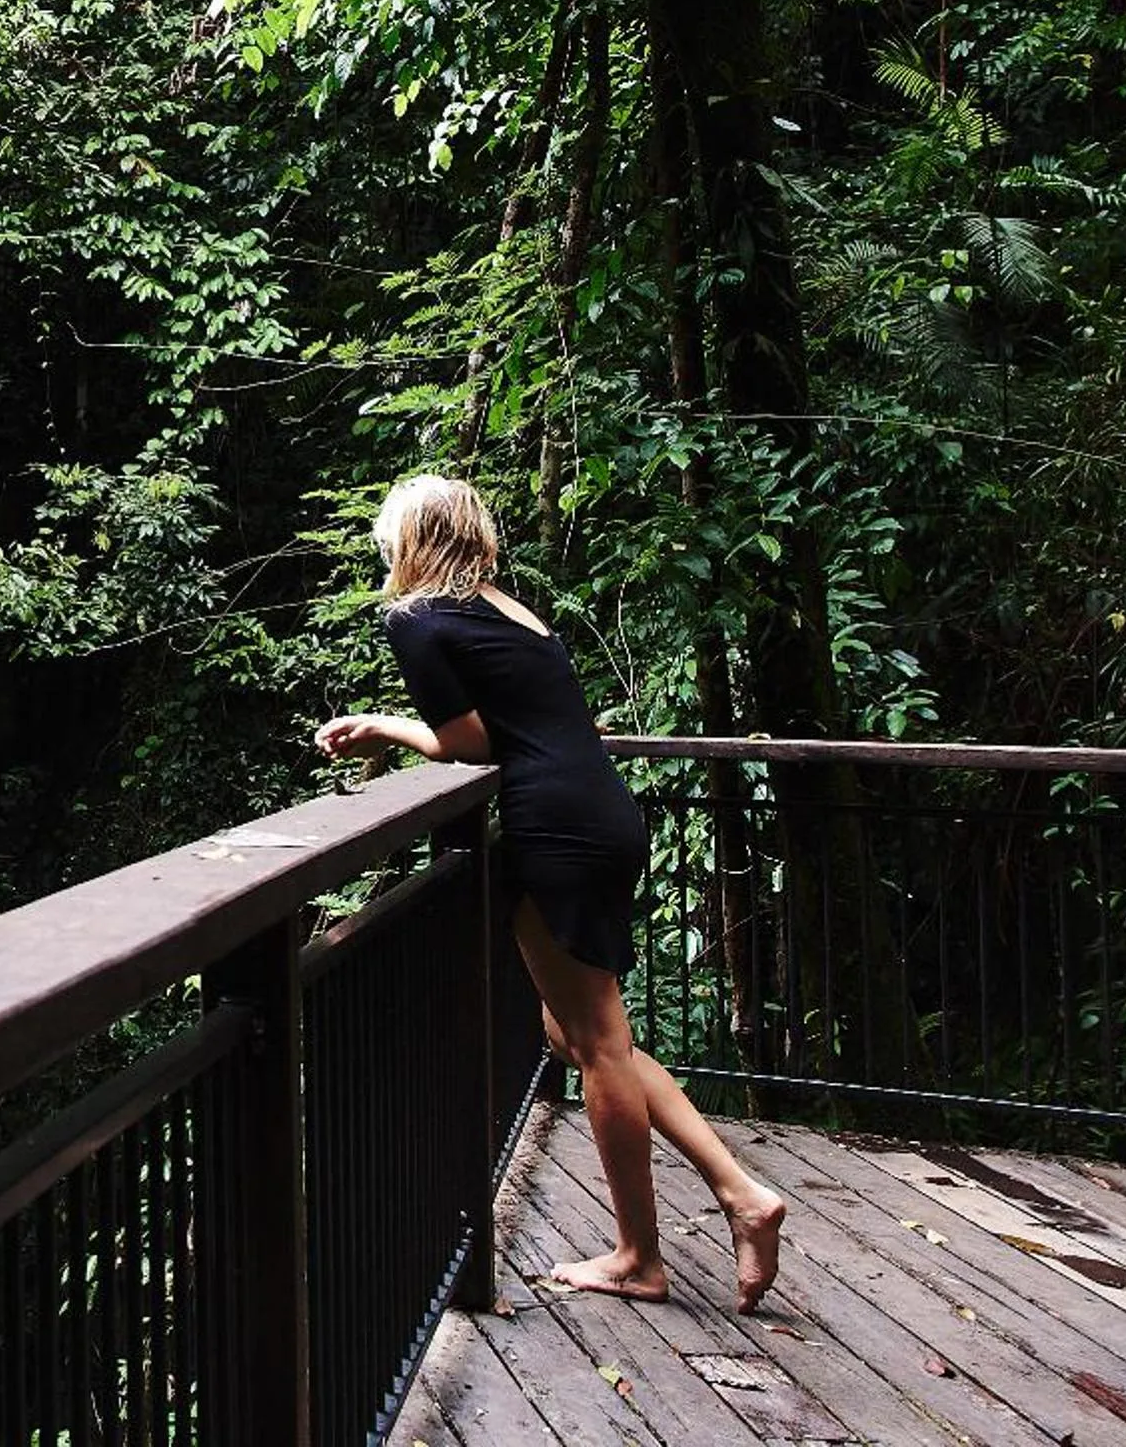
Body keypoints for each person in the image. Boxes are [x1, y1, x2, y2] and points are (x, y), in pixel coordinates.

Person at [313, 474, 786, 1313]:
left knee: (596, 1040)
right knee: (573, 1033)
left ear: (411, 541)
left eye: (388, 539)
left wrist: (384, 726)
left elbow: (465, 745)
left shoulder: (414, 618)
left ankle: (642, 1254)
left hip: (556, 826)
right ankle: (735, 1190)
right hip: (598, 810)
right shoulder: (510, 610)